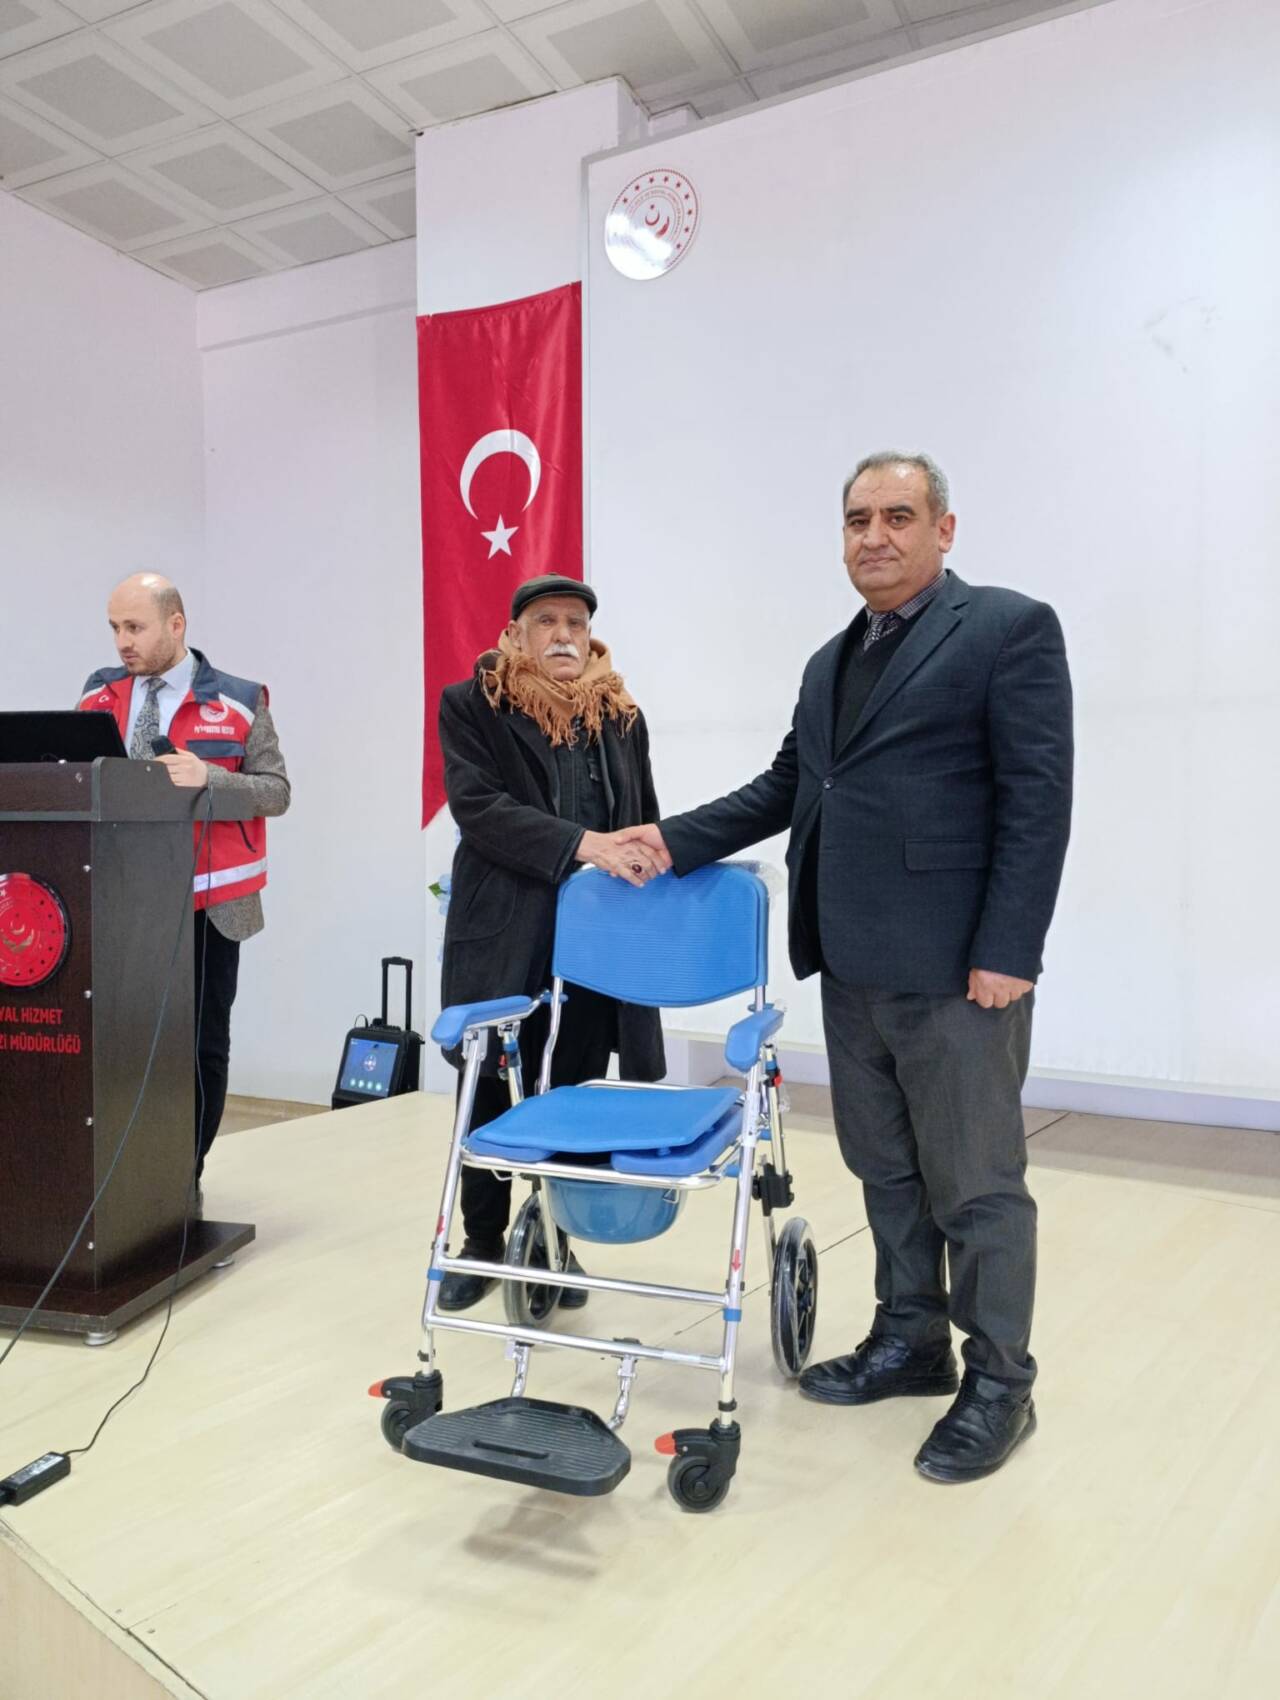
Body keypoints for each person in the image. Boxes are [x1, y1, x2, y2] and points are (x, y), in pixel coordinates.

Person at [617, 453, 1073, 1482]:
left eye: (897, 516)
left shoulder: (1006, 628)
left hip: (958, 970)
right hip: (851, 961)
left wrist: (1009, 948)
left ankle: (1000, 1382)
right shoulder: (831, 660)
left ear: (943, 529)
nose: (874, 535)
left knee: (977, 1184)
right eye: (857, 518)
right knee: (886, 1168)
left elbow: (1037, 798)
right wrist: (671, 839)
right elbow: (791, 782)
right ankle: (910, 1338)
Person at [436, 573, 666, 1311]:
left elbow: (644, 813)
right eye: (546, 621)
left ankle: (557, 1243)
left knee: (573, 1086)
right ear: (515, 634)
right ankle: (481, 1243)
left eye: (576, 622)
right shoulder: (472, 704)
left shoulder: (621, 714)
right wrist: (584, 844)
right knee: (488, 1088)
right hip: (506, 930)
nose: (563, 634)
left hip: (597, 940)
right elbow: (478, 808)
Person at [78, 573, 290, 1207]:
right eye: (114, 628)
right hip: (122, 898)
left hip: (210, 900)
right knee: (125, 1042)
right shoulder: (98, 694)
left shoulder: (241, 700)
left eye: (135, 627)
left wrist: (209, 779)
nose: (122, 642)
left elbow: (276, 793)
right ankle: (127, 1183)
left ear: (176, 625)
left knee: (200, 1046)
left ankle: (182, 1181)